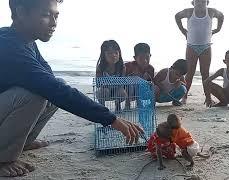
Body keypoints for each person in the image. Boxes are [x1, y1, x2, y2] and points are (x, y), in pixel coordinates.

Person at [0, 0, 143, 177]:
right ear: (21, 12)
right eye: (46, 15)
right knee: (35, 94)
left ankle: (24, 141)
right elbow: (52, 88)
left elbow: (53, 82)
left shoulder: (27, 42)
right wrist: (111, 119)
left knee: (55, 85)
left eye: (56, 16)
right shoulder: (7, 45)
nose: (53, 23)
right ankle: (3, 159)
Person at [175, 0, 224, 105]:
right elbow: (177, 16)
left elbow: (221, 16)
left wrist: (218, 29)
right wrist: (183, 30)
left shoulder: (211, 12)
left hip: (206, 47)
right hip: (191, 46)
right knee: (190, 73)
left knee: (205, 74)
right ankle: (184, 97)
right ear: (193, 2)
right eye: (198, 1)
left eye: (203, 1)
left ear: (207, 2)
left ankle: (208, 98)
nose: (200, 3)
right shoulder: (188, 12)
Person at [95, 40, 127, 111]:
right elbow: (97, 84)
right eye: (109, 53)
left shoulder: (122, 67)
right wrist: (105, 84)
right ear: (104, 55)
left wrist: (119, 87)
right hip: (105, 90)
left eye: (116, 53)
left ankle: (117, 105)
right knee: (103, 91)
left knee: (122, 92)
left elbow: (122, 84)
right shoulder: (100, 67)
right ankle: (102, 107)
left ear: (119, 54)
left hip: (117, 90)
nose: (113, 55)